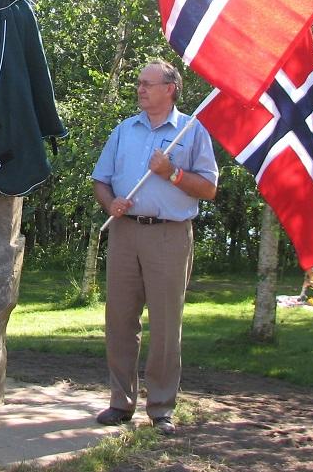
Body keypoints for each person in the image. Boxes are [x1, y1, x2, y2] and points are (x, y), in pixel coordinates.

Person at [91, 59, 218, 435]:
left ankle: (161, 407)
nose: (140, 89)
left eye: (148, 83)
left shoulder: (191, 131)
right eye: (138, 83)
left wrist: (172, 173)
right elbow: (101, 180)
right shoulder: (124, 131)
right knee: (119, 320)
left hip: (169, 235)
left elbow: (209, 189)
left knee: (164, 324)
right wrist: (109, 203)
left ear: (170, 89)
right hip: (125, 232)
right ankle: (120, 401)